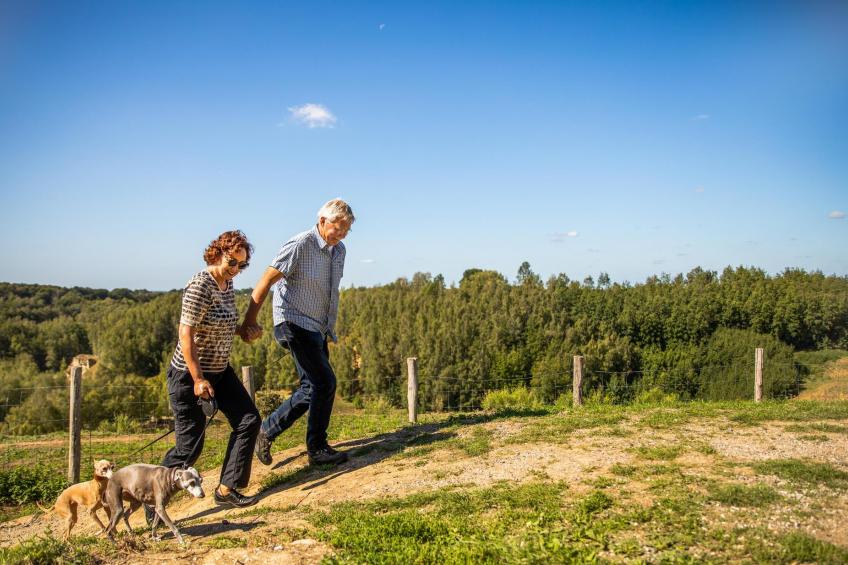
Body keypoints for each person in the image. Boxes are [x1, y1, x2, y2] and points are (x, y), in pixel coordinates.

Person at [240, 198, 354, 466]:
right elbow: (266, 281)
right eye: (338, 227)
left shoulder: (340, 251)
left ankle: (265, 431)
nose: (341, 234)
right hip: (292, 323)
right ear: (323, 221)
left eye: (346, 230)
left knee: (311, 387)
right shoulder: (301, 244)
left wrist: (327, 328)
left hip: (317, 327)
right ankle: (317, 448)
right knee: (324, 383)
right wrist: (248, 322)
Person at [159, 230, 261, 509]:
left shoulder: (227, 286)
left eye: (242, 265)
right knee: (188, 448)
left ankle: (227, 489)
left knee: (248, 420)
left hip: (220, 370)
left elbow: (221, 326)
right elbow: (186, 334)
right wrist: (197, 378)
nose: (236, 270)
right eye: (232, 262)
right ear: (217, 254)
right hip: (189, 375)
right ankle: (154, 500)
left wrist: (244, 332)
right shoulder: (200, 284)